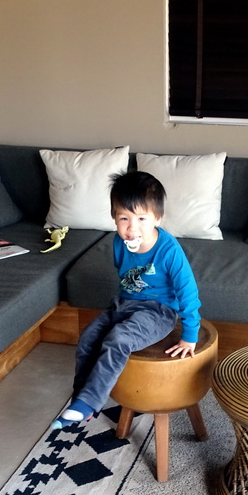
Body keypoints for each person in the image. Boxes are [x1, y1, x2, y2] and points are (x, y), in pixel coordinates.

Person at [51, 170, 201, 429]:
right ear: (114, 218)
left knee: (118, 339)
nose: (132, 228)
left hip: (159, 310)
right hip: (123, 303)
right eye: (124, 218)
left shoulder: (169, 251)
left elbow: (188, 292)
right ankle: (81, 399)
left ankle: (89, 402)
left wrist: (190, 333)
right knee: (87, 338)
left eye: (142, 218)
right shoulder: (119, 243)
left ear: (157, 218)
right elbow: (124, 278)